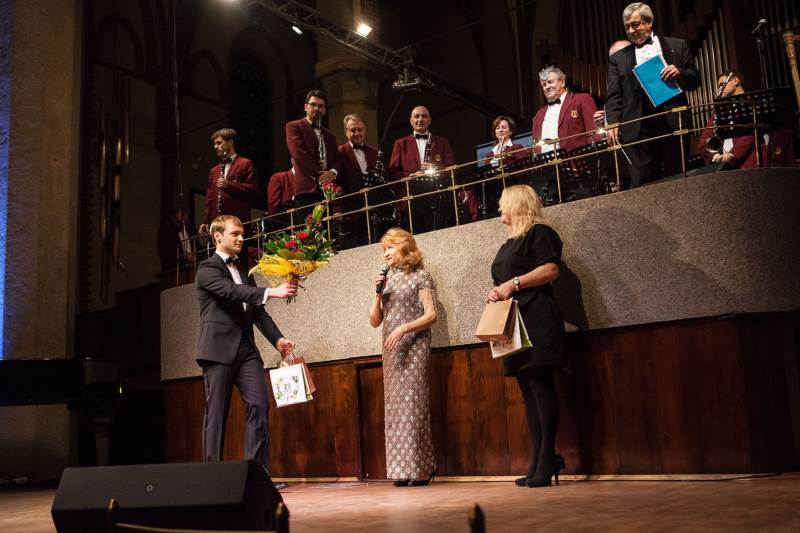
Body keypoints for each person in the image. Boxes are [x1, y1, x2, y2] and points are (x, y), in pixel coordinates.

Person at [195, 215, 298, 481]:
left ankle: (255, 478)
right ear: (218, 236)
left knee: (259, 406)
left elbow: (258, 313)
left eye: (242, 234)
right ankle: (210, 478)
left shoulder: (243, 271)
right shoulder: (206, 268)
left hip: (247, 349)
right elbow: (231, 292)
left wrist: (278, 340)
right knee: (217, 414)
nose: (241, 238)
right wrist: (271, 291)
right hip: (217, 350)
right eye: (235, 234)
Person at [488, 185, 566, 488]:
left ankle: (546, 460)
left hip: (537, 316)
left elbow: (551, 270)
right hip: (515, 322)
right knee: (528, 392)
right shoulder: (510, 242)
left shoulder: (540, 232)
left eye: (502, 204)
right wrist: (497, 291)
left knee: (539, 385)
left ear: (517, 204)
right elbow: (505, 280)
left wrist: (514, 283)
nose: (499, 210)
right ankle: (539, 462)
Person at [369, 228, 437, 487]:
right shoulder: (387, 279)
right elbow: (374, 321)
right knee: (396, 408)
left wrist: (404, 328)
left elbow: (431, 315)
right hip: (392, 351)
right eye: (384, 249)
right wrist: (378, 293)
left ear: (405, 247)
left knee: (414, 404)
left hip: (415, 348)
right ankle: (402, 469)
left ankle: (422, 468)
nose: (386, 253)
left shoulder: (421, 275)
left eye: (390, 247)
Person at [605, 2, 699, 188]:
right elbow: (614, 94)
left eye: (635, 25)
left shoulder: (677, 45)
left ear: (649, 22)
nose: (630, 31)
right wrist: (613, 122)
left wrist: (679, 72)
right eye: (627, 27)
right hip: (638, 127)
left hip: (671, 121)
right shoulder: (618, 58)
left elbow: (695, 79)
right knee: (643, 184)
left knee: (677, 179)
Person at [388, 106, 478, 232]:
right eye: (416, 116)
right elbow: (393, 173)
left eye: (424, 116)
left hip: (438, 200)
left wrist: (435, 170)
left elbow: (452, 169)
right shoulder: (400, 144)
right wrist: (412, 176)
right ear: (411, 121)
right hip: (409, 200)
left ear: (429, 120)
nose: (420, 119)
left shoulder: (442, 142)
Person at [285, 90, 340, 217]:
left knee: (328, 227)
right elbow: (299, 155)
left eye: (320, 106)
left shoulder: (330, 135)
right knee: (308, 228)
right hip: (306, 190)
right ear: (306, 107)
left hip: (327, 190)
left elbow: (337, 159)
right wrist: (321, 175)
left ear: (325, 110)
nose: (316, 108)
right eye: (313, 104)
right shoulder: (294, 127)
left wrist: (333, 172)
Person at [698, 72, 768, 169]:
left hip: (751, 160)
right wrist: (715, 156)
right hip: (725, 166)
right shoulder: (718, 112)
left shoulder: (753, 102)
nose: (720, 89)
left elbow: (751, 133)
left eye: (722, 84)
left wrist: (732, 155)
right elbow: (703, 141)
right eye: (718, 87)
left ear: (735, 81)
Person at [199, 129, 258, 235]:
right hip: (217, 222)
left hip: (237, 220)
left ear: (230, 142)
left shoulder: (245, 163)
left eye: (219, 143)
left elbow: (252, 189)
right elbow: (210, 198)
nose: (215, 146)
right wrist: (206, 221)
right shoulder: (214, 171)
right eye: (215, 144)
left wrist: (229, 185)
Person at [532, 66, 598, 154]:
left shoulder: (582, 100)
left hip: (576, 160)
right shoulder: (538, 115)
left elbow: (593, 133)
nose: (547, 87)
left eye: (550, 82)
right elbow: (535, 146)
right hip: (545, 162)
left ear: (562, 82)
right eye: (544, 85)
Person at [337, 114, 378, 249]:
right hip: (349, 209)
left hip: (371, 208)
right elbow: (336, 182)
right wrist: (337, 209)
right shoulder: (339, 152)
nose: (357, 133)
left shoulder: (374, 153)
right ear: (346, 132)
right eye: (353, 130)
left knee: (373, 246)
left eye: (360, 130)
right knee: (350, 250)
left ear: (364, 130)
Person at [594, 40, 632, 128]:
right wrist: (604, 122)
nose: (617, 61)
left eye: (620, 56)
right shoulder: (613, 91)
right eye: (613, 59)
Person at [158, 206, 195, 271]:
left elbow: (197, 247)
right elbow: (164, 253)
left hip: (192, 268)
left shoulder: (191, 230)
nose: (183, 222)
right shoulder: (165, 232)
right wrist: (185, 257)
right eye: (179, 221)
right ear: (173, 218)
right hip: (173, 270)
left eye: (185, 219)